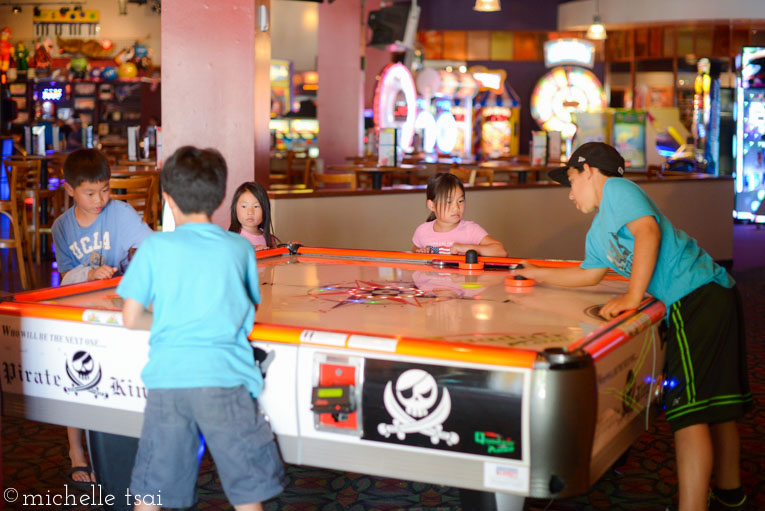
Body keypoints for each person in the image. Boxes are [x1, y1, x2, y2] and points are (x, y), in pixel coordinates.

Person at [515, 142, 753, 511]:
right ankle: (730, 491)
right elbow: (589, 274)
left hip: (696, 296)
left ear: (590, 170)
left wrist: (631, 296)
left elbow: (648, 233)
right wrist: (535, 274)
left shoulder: (619, 190)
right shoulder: (598, 231)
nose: (570, 194)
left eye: (571, 181)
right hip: (711, 293)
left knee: (687, 411)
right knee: (715, 403)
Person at [117, 146, 286, 511]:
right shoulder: (239, 250)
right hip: (227, 380)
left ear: (167, 197)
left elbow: (131, 317)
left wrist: (168, 320)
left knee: (152, 492)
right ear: (222, 196)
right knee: (247, 491)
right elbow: (247, 311)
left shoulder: (155, 248)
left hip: (169, 381)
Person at [51, 148, 153, 486]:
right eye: (90, 193)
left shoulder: (120, 213)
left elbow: (150, 246)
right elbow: (66, 277)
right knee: (75, 374)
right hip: (79, 309)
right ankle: (75, 450)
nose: (100, 199)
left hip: (117, 309)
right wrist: (89, 274)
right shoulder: (62, 228)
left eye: (105, 189)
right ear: (70, 190)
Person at [412, 172, 507, 257]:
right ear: (432, 205)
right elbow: (414, 252)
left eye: (460, 201)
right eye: (449, 202)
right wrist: (421, 253)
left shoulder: (471, 229)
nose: (457, 207)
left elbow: (501, 251)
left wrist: (466, 248)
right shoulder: (422, 230)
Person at [229, 181, 277, 251]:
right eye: (244, 206)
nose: (250, 212)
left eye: (256, 206)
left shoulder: (269, 238)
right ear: (235, 208)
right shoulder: (233, 238)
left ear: (265, 209)